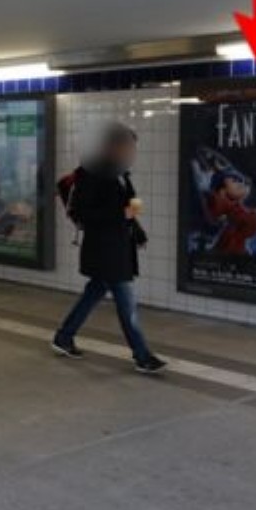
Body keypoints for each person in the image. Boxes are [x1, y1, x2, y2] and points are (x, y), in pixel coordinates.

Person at [51, 123, 168, 375]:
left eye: (133, 148)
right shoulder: (92, 174)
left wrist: (138, 232)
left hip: (119, 247)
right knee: (127, 304)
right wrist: (121, 214)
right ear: (112, 147)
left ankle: (63, 337)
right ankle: (142, 356)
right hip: (104, 250)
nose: (132, 153)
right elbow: (85, 213)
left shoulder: (121, 173)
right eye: (128, 148)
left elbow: (130, 206)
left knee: (93, 293)